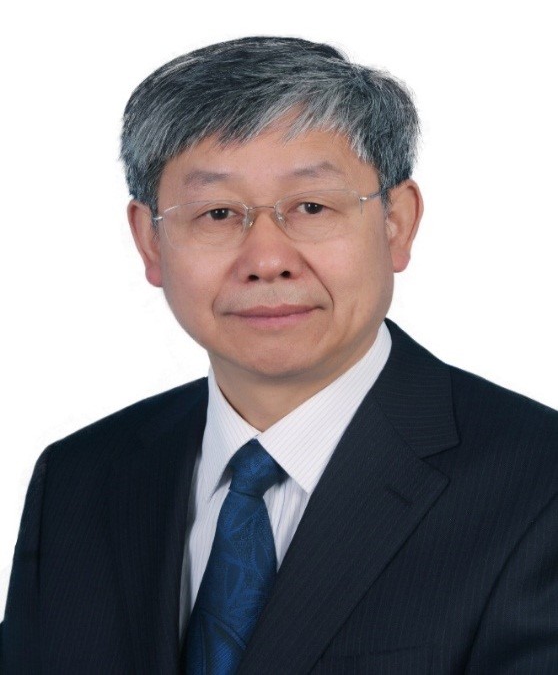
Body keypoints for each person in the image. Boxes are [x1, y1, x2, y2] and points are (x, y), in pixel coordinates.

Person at [1, 37, 557, 674]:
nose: (267, 260)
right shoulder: (78, 479)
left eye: (312, 207)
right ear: (150, 241)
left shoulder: (540, 485)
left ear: (396, 223)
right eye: (216, 213)